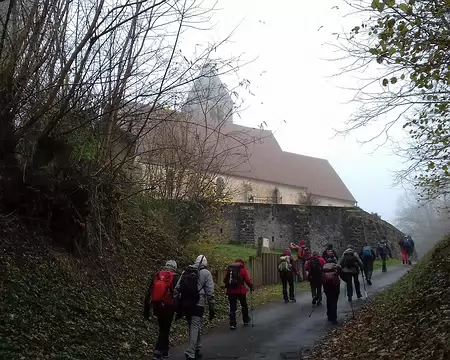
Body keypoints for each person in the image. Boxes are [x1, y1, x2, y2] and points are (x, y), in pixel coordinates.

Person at [174, 255, 215, 360]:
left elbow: (177, 288)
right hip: (198, 303)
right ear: (205, 263)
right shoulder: (206, 273)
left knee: (194, 326)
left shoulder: (186, 271)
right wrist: (212, 307)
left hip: (185, 303)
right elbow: (210, 292)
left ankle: (197, 348)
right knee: (195, 326)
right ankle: (190, 352)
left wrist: (176, 302)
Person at [143, 260, 179, 360]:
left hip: (157, 306)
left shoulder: (157, 275)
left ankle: (165, 352)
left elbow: (149, 292)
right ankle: (158, 351)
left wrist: (146, 310)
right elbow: (177, 294)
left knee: (163, 328)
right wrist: (179, 309)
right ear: (174, 267)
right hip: (168, 306)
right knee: (165, 329)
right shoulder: (175, 277)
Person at [223, 259, 254, 330]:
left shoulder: (230, 269)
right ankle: (245, 320)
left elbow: (225, 280)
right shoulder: (243, 270)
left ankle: (232, 324)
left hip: (231, 291)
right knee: (244, 305)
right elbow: (247, 281)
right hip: (240, 291)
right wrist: (251, 287)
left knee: (232, 307)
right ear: (242, 263)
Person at [322, 260, 342, 324]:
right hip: (335, 286)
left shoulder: (324, 267)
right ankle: (334, 318)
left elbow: (322, 277)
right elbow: (341, 273)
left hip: (327, 286)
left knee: (329, 300)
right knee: (334, 302)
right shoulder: (336, 267)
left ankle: (329, 315)